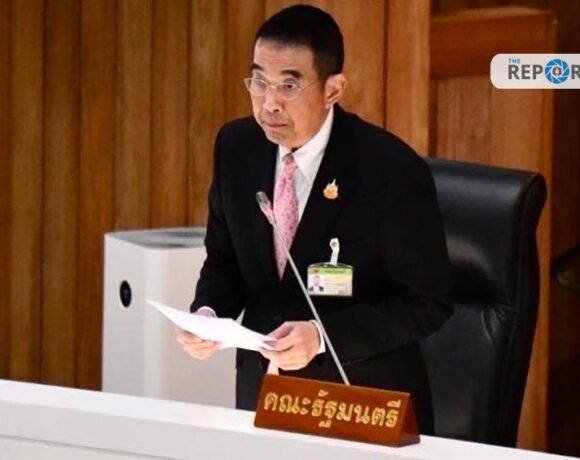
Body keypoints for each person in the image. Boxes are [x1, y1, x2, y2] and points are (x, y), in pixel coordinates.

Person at [176, 4, 452, 434]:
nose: (269, 104)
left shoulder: (389, 170)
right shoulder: (237, 148)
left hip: (360, 403)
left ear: (332, 89)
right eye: (259, 82)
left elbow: (427, 302)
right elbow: (225, 261)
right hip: (261, 397)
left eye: (289, 85)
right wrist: (209, 313)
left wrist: (322, 336)